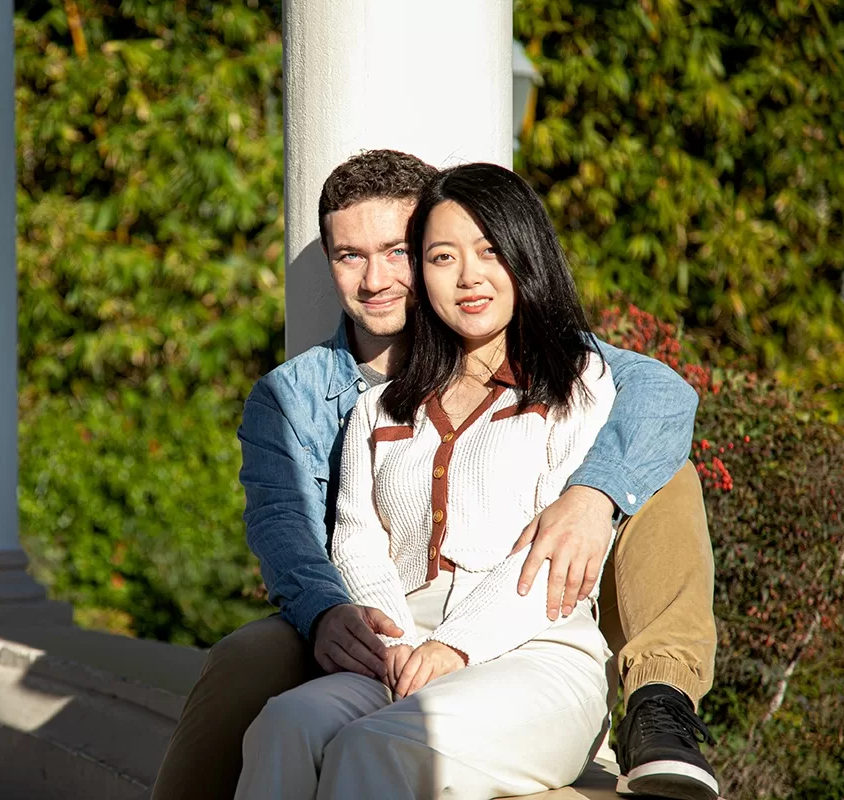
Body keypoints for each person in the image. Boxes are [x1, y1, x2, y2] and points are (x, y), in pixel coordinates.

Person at [150, 151, 718, 800]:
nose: (375, 279)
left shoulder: (574, 376)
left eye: (396, 251)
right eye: (349, 256)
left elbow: (661, 399)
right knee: (278, 720)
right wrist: (362, 625)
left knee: (660, 473)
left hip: (522, 633)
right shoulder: (324, 401)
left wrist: (593, 494)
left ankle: (661, 702)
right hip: (365, 627)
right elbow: (312, 535)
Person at [237, 161, 625, 798]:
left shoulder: (575, 383)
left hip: (533, 647)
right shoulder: (379, 407)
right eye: (444, 257)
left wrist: (454, 648)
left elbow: (546, 562)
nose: (468, 276)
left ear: (526, 256)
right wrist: (394, 642)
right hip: (403, 646)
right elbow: (357, 540)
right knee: (283, 725)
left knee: (375, 748)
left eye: (490, 251)